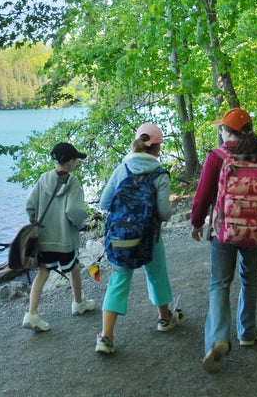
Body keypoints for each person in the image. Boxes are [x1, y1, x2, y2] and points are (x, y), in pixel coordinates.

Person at [190, 108, 257, 373]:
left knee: (219, 283)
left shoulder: (217, 157)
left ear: (226, 131)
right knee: (250, 278)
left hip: (223, 229)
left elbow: (203, 195)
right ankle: (247, 331)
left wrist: (196, 222)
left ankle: (217, 338)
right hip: (255, 229)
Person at [95, 123, 183, 354]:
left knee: (119, 280)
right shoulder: (160, 174)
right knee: (157, 274)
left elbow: (105, 203)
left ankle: (106, 337)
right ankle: (164, 319)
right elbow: (164, 213)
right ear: (156, 148)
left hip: (121, 237)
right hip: (149, 236)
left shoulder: (122, 168)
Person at [22, 142, 96, 332]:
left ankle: (32, 314)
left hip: (44, 238)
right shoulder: (73, 183)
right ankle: (78, 303)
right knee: (74, 268)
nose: (76, 164)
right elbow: (75, 210)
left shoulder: (43, 179)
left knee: (43, 273)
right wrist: (77, 224)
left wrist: (37, 222)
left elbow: (30, 206)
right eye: (76, 160)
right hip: (64, 240)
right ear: (70, 162)